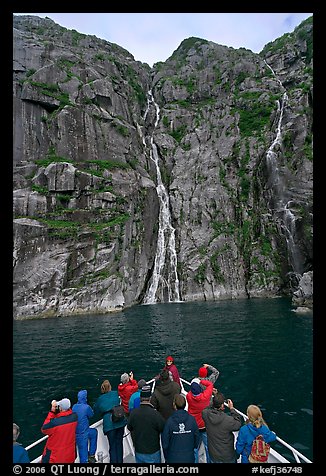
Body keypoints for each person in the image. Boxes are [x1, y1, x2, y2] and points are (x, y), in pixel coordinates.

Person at [127, 384, 165, 463]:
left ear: (140, 398)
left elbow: (129, 427)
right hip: (153, 450)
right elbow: (162, 428)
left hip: (139, 450)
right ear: (150, 398)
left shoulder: (134, 413)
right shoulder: (155, 414)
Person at [202, 392, 242, 463]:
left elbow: (208, 407)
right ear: (222, 406)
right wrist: (232, 409)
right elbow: (238, 424)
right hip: (227, 456)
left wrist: (215, 399)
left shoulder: (205, 414)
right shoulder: (227, 420)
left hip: (213, 454)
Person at [93, 379, 127, 463]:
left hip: (109, 424)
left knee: (112, 446)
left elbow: (96, 410)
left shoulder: (100, 399)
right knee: (119, 443)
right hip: (120, 421)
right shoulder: (115, 393)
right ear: (110, 387)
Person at [162, 394, 200, 463]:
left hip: (173, 458)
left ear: (174, 405)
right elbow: (197, 438)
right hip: (189, 457)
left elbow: (165, 443)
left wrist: (167, 457)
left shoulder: (169, 421)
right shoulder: (192, 420)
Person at [40, 398, 78, 463]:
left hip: (56, 458)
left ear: (60, 408)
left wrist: (52, 412)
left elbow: (44, 429)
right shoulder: (75, 417)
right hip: (70, 455)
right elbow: (67, 415)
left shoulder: (54, 423)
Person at [186, 378, 213, 463]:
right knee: (207, 447)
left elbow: (191, 392)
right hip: (204, 425)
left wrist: (194, 383)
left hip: (194, 425)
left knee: (195, 447)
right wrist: (200, 381)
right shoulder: (205, 397)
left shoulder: (189, 397)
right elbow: (210, 385)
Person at [72, 389, 98, 463]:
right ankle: (91, 455)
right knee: (83, 457)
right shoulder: (86, 407)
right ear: (85, 398)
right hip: (83, 434)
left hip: (76, 432)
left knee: (94, 432)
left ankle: (91, 455)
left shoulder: (74, 407)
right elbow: (91, 415)